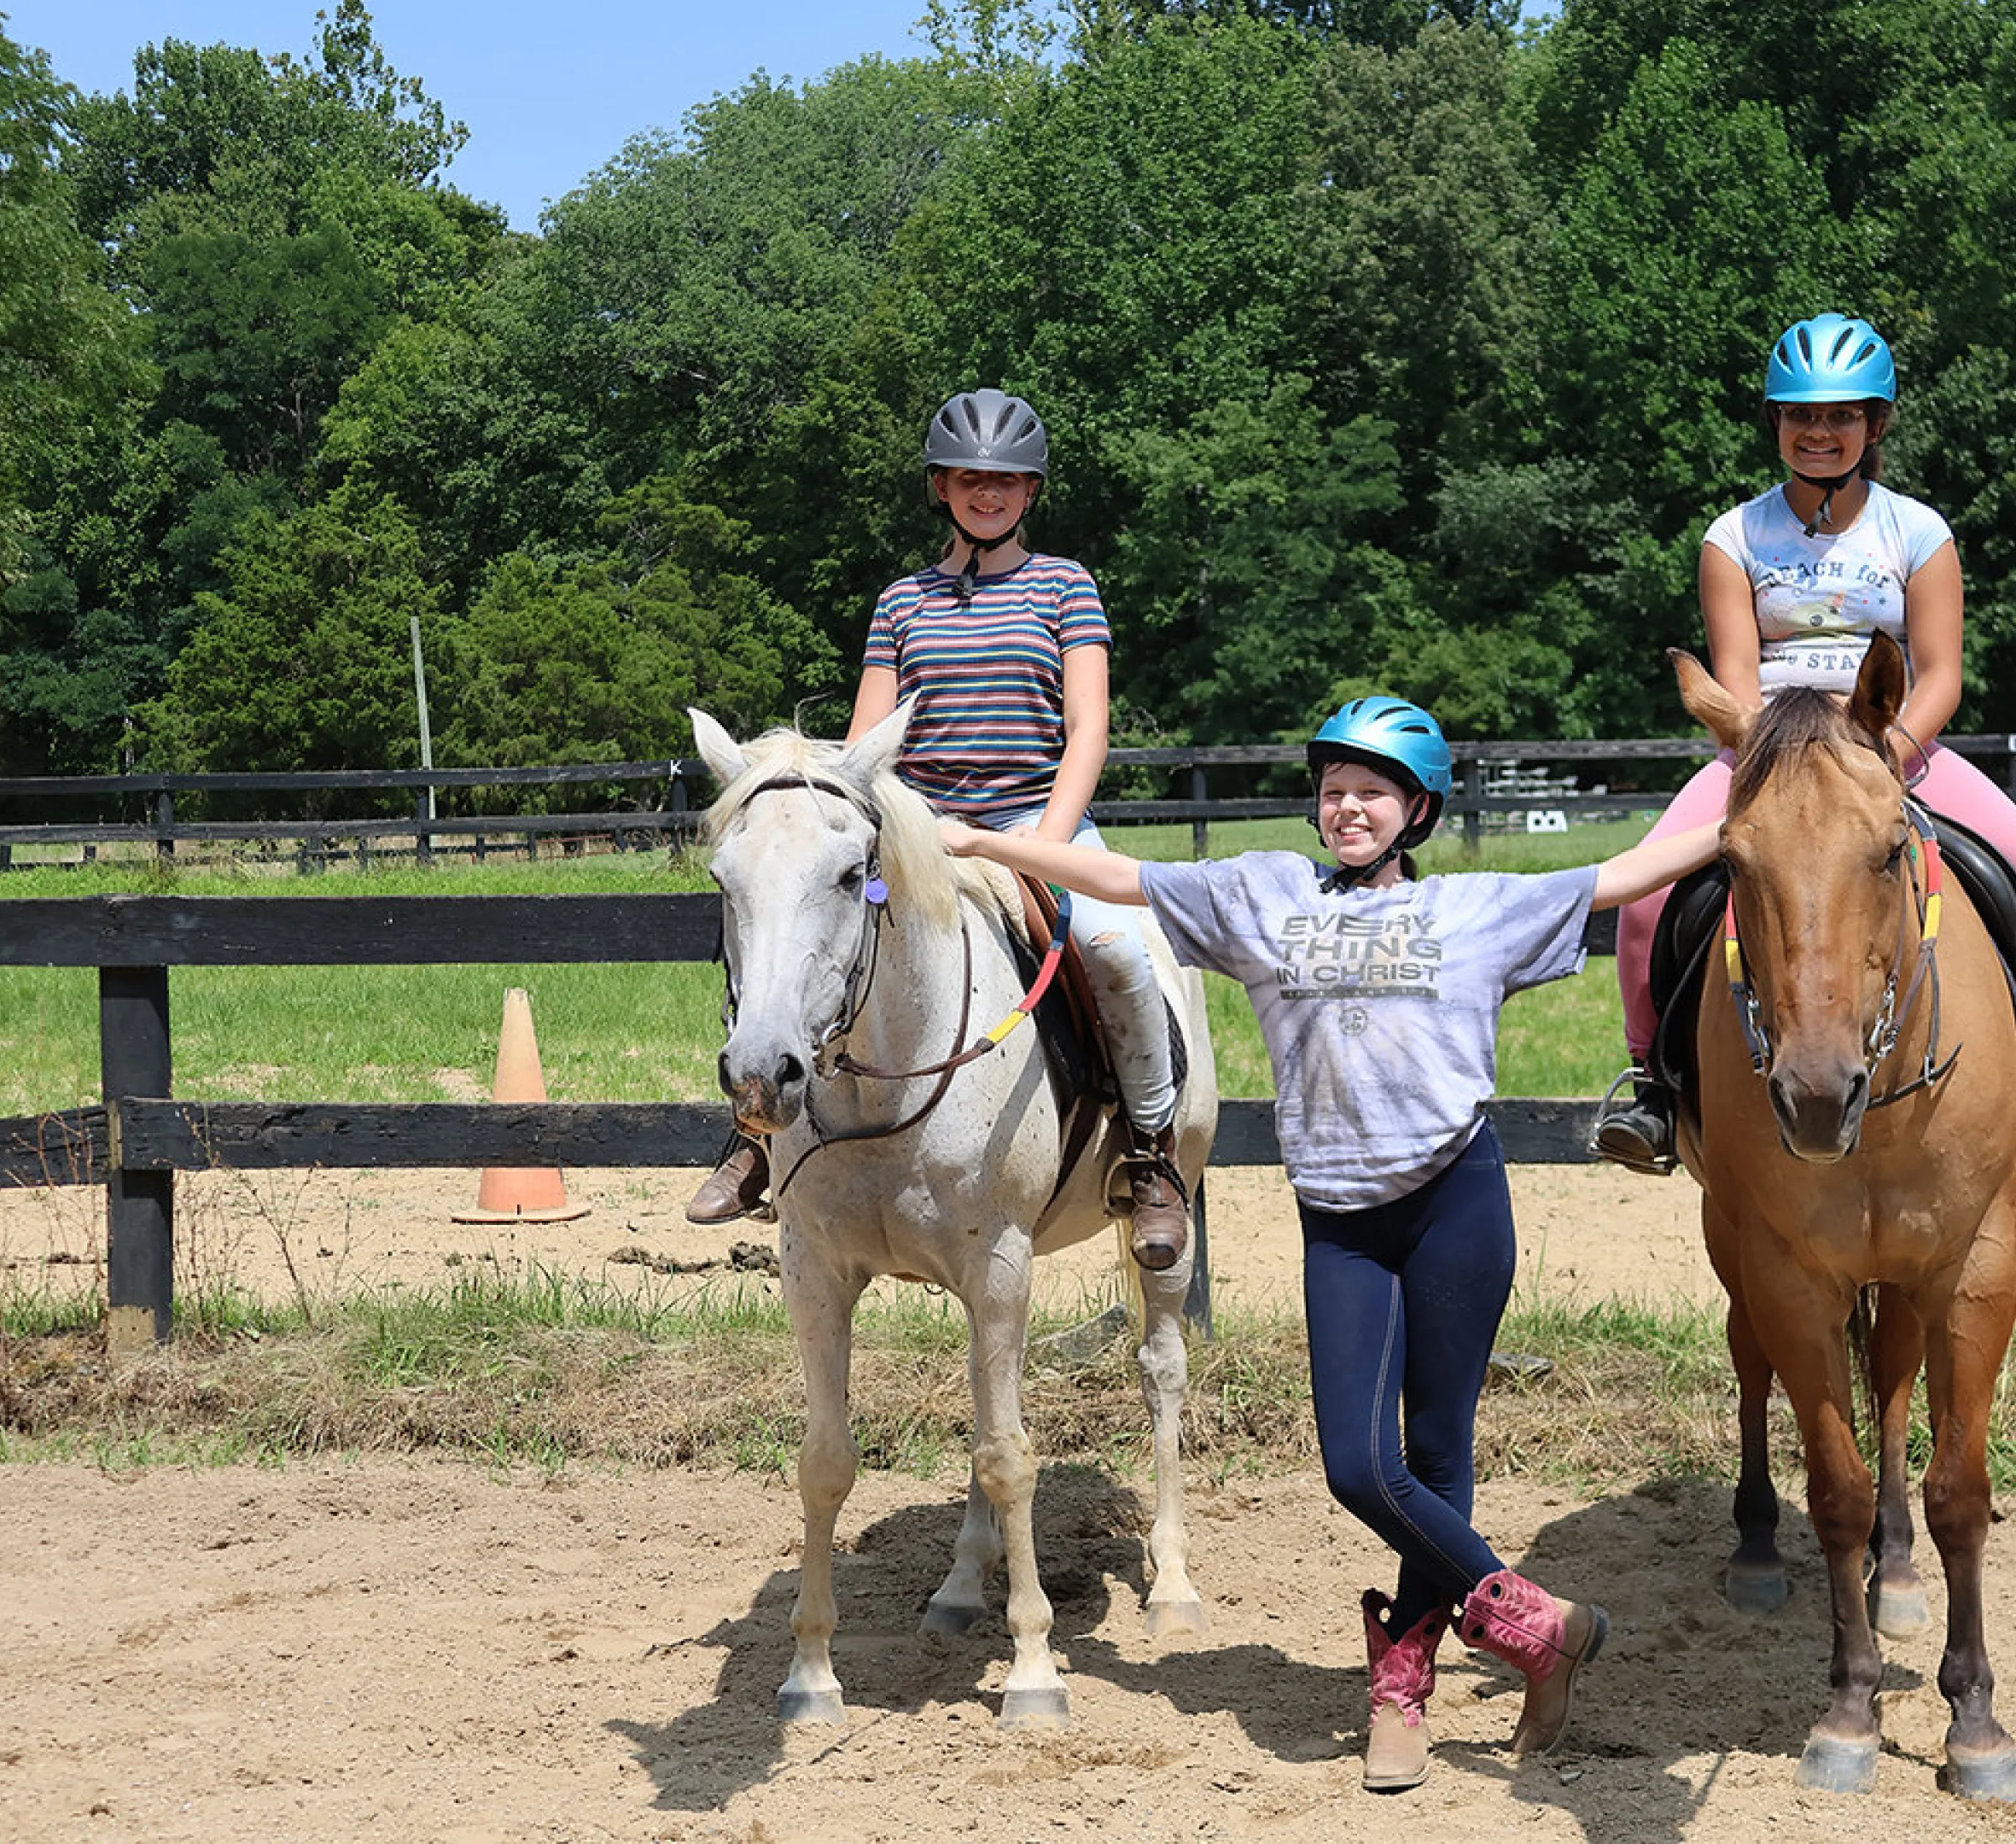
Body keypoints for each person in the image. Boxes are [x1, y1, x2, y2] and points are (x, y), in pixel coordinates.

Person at [943, 695, 1722, 1793]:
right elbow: (1120, 882)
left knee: (1438, 1454)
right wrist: (979, 840)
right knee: (1359, 1465)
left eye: (1372, 792)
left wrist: (1743, 817)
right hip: (1343, 1222)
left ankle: (1400, 1683)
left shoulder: (1477, 907)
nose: (1347, 807)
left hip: (1458, 1203)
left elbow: (1625, 877)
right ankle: (1537, 1623)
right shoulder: (1264, 895)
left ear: (1416, 809)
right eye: (1333, 790)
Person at [686, 388, 1188, 1268]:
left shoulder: (1066, 587)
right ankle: (759, 1132)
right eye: (967, 479)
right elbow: (863, 750)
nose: (985, 494)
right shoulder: (902, 604)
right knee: (806, 935)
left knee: (1116, 950)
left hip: (1037, 815)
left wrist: (1049, 847)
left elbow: (1088, 730)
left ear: (1029, 491)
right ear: (941, 488)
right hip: (921, 828)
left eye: (1003, 481)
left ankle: (1149, 1158)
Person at [1594, 312, 2016, 1173]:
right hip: (1766, 752)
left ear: (1875, 425)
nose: (1818, 432)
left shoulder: (1918, 532)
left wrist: (1885, 751)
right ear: (1776, 424)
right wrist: (1772, 757)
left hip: (1890, 745)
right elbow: (1737, 674)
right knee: (1644, 900)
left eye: (1840, 417)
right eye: (1799, 416)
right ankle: (1652, 1086)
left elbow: (1940, 673)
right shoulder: (1733, 538)